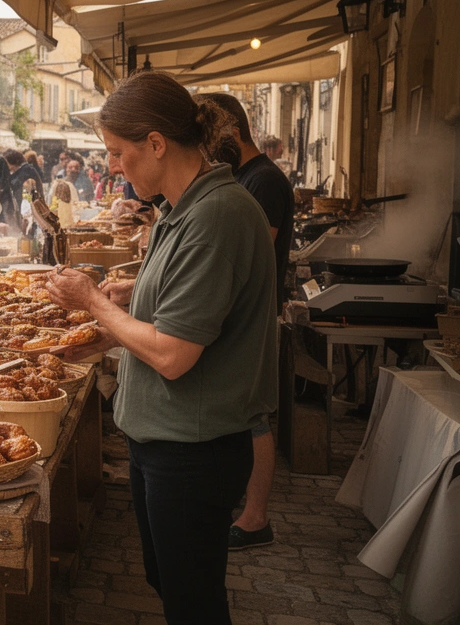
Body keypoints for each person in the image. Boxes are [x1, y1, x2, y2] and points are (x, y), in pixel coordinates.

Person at [44, 70, 277, 624]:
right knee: (169, 581)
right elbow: (180, 311)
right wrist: (122, 308)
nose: (113, 167)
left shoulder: (217, 213)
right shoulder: (180, 207)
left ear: (156, 143)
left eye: (118, 152)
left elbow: (174, 355)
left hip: (193, 448)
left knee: (193, 602)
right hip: (166, 441)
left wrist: (94, 303)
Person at [199, 92, 294, 553]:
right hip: (244, 311)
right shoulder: (246, 176)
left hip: (254, 313)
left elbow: (251, 247)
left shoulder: (264, 181)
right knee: (246, 413)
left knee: (255, 414)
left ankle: (256, 518)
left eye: (208, 136)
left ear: (231, 131)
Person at [4, 149, 39, 231]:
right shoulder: (23, 170)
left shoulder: (26, 170)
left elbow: (14, 186)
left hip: (27, 212)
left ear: (12, 161)